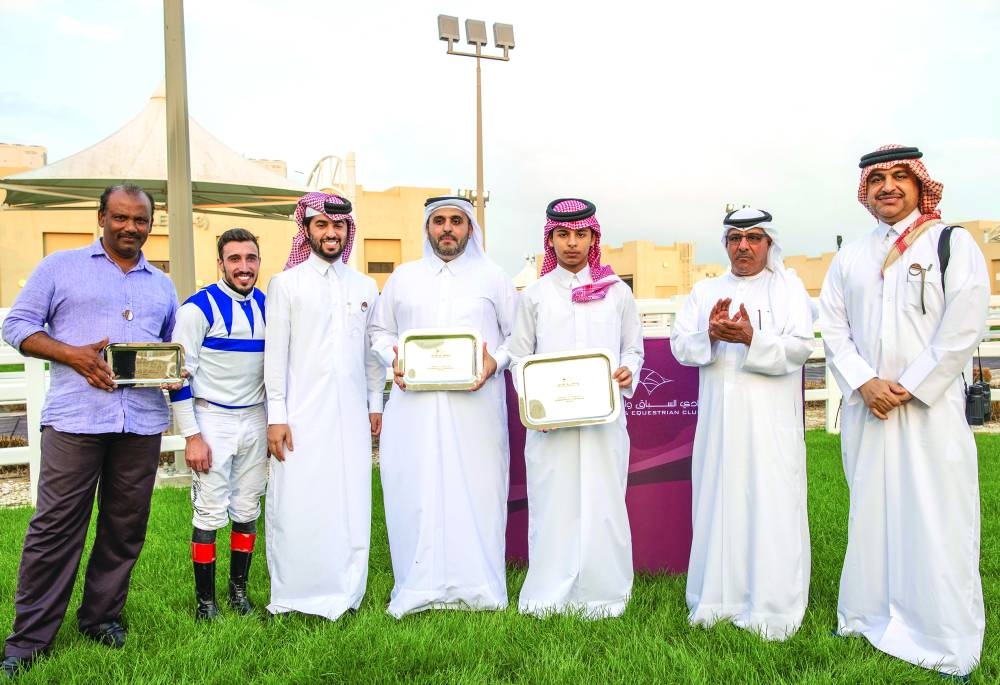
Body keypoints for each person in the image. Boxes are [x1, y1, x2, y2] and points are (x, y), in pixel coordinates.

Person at [819, 144, 988, 678]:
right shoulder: (851, 256)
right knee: (871, 513)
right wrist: (866, 383)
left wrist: (910, 386)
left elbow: (963, 328)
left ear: (919, 185)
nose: (887, 187)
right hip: (870, 410)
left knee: (937, 514)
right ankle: (866, 617)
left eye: (898, 177)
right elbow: (833, 328)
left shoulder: (951, 244)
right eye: (876, 180)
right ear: (864, 193)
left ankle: (939, 633)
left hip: (929, 412)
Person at [1, 184, 178, 677]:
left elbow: (166, 346)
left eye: (139, 220)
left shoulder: (161, 285)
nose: (129, 228)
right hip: (76, 419)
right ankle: (27, 642)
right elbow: (17, 326)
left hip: (140, 421)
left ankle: (101, 618)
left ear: (150, 223)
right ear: (100, 217)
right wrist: (73, 354)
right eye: (119, 218)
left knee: (125, 527)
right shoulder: (60, 267)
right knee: (55, 528)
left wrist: (170, 369)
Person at [369, 196, 517, 618]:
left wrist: (495, 362)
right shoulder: (404, 277)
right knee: (416, 491)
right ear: (427, 228)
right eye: (439, 221)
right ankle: (418, 586)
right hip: (414, 408)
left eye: (456, 221)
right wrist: (392, 358)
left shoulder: (493, 278)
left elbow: (517, 338)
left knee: (478, 490)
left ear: (470, 228)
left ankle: (480, 587)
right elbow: (380, 330)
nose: (447, 228)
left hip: (477, 408)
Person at [672, 208, 814, 640]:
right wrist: (710, 336)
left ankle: (773, 602)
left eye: (754, 238)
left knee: (771, 500)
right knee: (720, 497)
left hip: (771, 427)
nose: (744, 246)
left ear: (769, 244)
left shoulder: (788, 289)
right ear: (726, 245)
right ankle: (717, 598)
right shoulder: (704, 291)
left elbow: (801, 347)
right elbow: (681, 345)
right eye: (735, 238)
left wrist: (753, 339)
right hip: (719, 426)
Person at [507, 198, 644, 619]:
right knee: (555, 503)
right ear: (550, 239)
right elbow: (518, 357)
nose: (572, 243)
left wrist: (627, 372)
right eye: (563, 235)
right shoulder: (534, 296)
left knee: (604, 502)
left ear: (593, 238)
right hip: (551, 426)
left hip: (604, 422)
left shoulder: (617, 292)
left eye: (580, 234)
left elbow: (633, 349)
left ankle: (605, 591)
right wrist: (533, 404)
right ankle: (550, 591)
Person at [263, 192, 384, 621]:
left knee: (350, 498)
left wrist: (375, 405)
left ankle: (347, 589)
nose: (331, 233)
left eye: (339, 226)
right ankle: (295, 592)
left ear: (348, 231)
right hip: (300, 415)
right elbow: (274, 356)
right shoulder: (286, 284)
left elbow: (372, 355)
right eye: (321, 225)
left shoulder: (365, 286)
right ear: (307, 230)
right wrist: (276, 417)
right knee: (298, 499)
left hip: (351, 414)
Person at [169, 228, 267, 620]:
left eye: (251, 258)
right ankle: (205, 603)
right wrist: (192, 436)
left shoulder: (268, 304)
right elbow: (177, 376)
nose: (244, 267)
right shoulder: (197, 309)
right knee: (210, 511)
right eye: (235, 259)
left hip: (256, 417)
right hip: (212, 418)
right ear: (220, 264)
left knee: (247, 507)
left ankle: (238, 592)